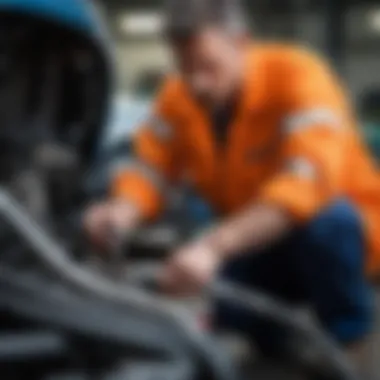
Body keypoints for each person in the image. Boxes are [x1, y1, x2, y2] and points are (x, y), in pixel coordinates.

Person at [84, 0, 380, 365]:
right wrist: (120, 213)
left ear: (241, 43)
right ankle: (269, 347)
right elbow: (150, 170)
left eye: (209, 67)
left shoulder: (299, 74)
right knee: (235, 334)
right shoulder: (178, 97)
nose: (197, 83)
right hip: (252, 238)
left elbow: (307, 184)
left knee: (327, 222)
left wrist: (211, 247)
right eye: (185, 67)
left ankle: (351, 342)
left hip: (341, 239)